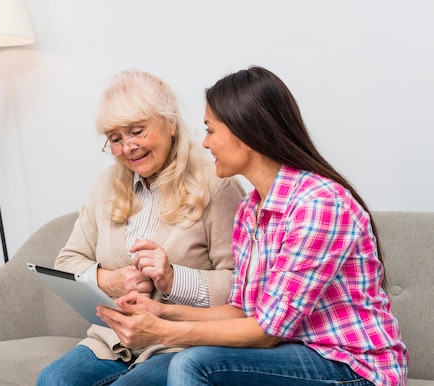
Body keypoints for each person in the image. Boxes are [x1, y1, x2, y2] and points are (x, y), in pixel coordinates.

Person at [98, 66, 409, 386]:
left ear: (244, 131)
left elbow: (267, 332)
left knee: (195, 363)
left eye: (210, 130)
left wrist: (163, 332)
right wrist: (160, 312)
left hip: (349, 365)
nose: (205, 143)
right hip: (288, 353)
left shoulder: (317, 205)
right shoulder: (250, 209)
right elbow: (243, 312)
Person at [37, 69, 245, 386]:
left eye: (137, 131)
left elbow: (241, 290)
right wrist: (111, 280)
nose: (128, 147)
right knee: (53, 381)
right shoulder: (106, 185)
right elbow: (67, 262)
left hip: (181, 346)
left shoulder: (218, 185)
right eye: (115, 139)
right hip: (112, 342)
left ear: (171, 122)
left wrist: (173, 278)